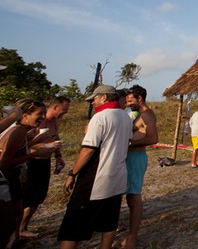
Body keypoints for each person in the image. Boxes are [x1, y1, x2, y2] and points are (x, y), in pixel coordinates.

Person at [57, 85, 132, 249]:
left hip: (95, 179)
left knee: (72, 227)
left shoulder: (100, 118)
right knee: (109, 223)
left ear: (104, 97)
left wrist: (72, 173)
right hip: (117, 176)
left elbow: (88, 151)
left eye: (94, 99)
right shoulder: (126, 117)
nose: (92, 103)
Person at [0, 99, 58, 248]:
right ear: (24, 116)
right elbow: (3, 163)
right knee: (9, 222)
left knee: (17, 213)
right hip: (7, 180)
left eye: (44, 114)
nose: (44, 118)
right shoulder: (18, 132)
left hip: (12, 179)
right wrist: (35, 154)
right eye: (39, 114)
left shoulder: (22, 131)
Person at [19, 96, 70, 239]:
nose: (65, 113)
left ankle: (22, 228)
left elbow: (55, 138)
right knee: (25, 197)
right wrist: (45, 146)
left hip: (44, 162)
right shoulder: (37, 123)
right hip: (31, 162)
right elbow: (25, 145)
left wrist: (58, 156)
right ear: (55, 107)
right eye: (64, 110)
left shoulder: (54, 122)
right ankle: (15, 229)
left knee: (38, 198)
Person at [121, 85, 158, 249]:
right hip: (129, 156)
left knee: (134, 197)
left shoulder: (147, 115)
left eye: (130, 100)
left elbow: (153, 138)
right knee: (127, 196)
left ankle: (132, 237)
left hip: (135, 158)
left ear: (139, 99)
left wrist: (127, 143)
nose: (128, 104)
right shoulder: (137, 115)